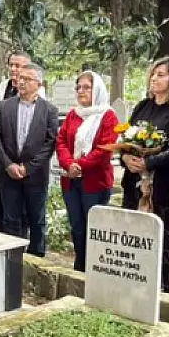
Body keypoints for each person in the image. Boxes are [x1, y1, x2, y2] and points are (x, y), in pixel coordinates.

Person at [121, 56, 169, 294]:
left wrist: (150, 162)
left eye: (161, 74)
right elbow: (126, 136)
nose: (155, 78)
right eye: (153, 74)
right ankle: (137, 284)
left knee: (167, 239)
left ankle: (167, 290)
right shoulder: (144, 106)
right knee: (136, 235)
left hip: (166, 186)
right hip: (136, 184)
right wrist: (126, 158)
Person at [0, 64, 60, 256]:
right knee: (11, 219)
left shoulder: (49, 110)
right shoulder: (5, 106)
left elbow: (50, 143)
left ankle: (37, 258)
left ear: (38, 83)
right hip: (8, 174)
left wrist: (28, 168)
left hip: (35, 176)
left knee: (37, 220)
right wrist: (8, 165)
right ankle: (13, 257)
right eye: (20, 78)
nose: (21, 82)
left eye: (27, 79)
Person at [56, 69, 118, 270]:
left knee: (94, 228)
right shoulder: (74, 114)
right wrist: (69, 164)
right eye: (79, 87)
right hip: (70, 180)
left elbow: (105, 149)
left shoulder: (107, 116)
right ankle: (80, 265)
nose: (81, 91)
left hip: (95, 181)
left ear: (97, 90)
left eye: (86, 87)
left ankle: (94, 268)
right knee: (77, 227)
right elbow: (61, 141)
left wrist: (79, 165)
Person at [0, 51, 30, 229]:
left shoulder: (36, 91)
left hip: (22, 158)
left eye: (18, 66)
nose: (14, 69)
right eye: (11, 65)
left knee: (19, 206)